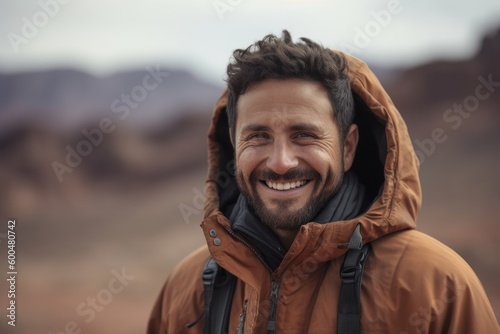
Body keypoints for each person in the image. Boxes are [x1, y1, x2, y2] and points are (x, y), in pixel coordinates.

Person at [147, 30, 499, 333]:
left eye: (303, 135)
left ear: (347, 147)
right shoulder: (188, 287)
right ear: (234, 144)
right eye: (257, 137)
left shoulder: (435, 286)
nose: (280, 162)